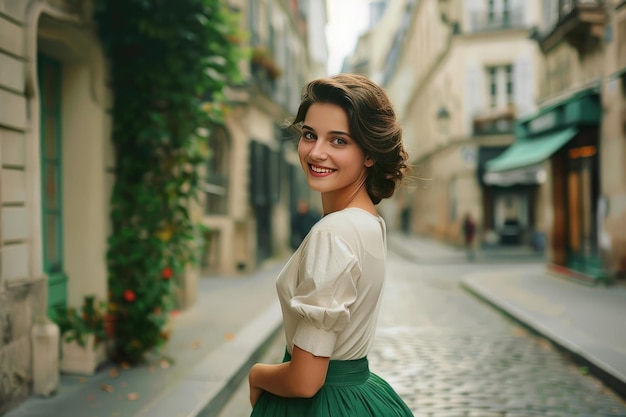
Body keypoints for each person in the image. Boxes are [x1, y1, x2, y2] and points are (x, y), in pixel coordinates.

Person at [248, 74, 414, 416]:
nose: (316, 152)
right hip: (362, 395)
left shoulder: (333, 232)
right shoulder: (370, 223)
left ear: (369, 154)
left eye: (338, 141)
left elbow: (304, 381)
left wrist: (257, 374)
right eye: (310, 135)